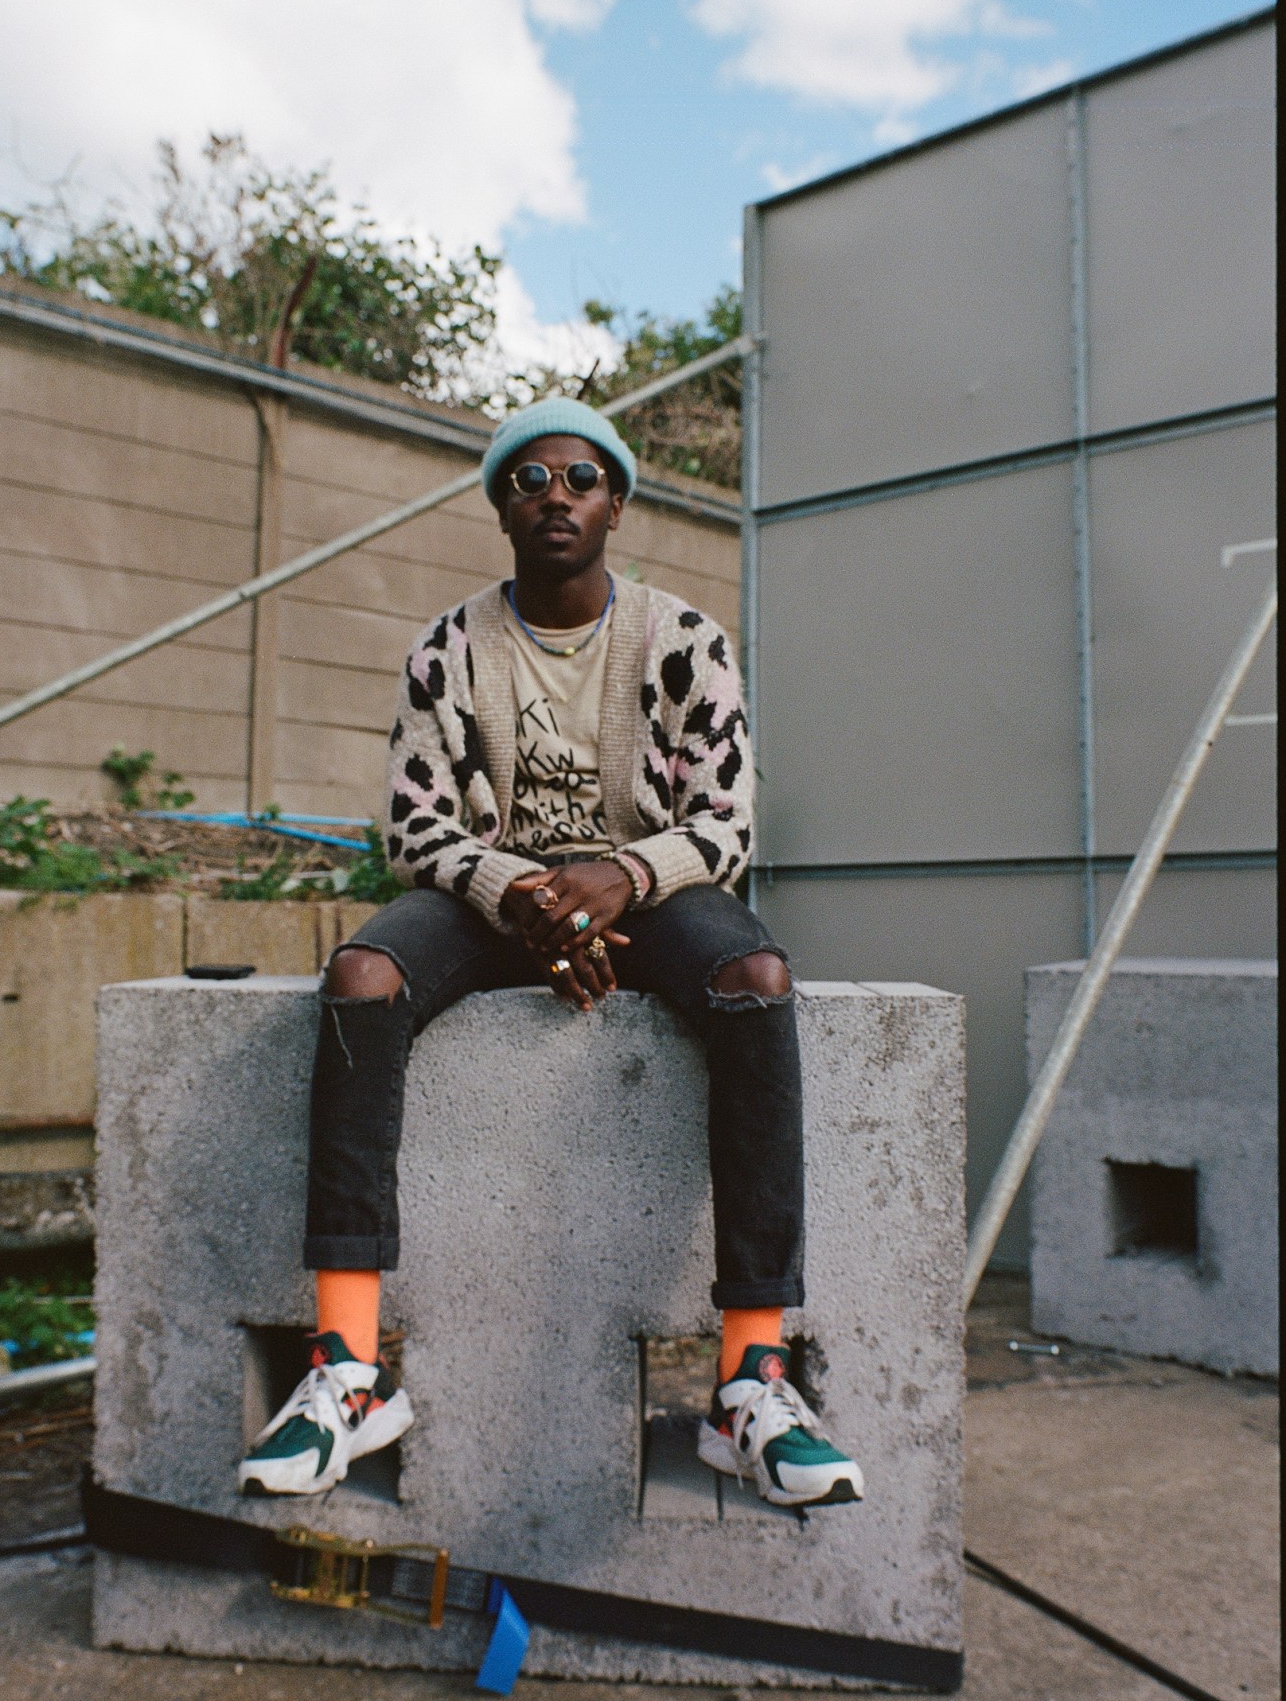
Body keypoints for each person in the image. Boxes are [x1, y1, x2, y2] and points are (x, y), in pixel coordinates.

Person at [237, 395, 864, 1512]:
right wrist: (521, 891)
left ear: (615, 501)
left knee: (754, 981)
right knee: (361, 977)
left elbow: (726, 824)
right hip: (492, 892)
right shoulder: (447, 648)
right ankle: (346, 1365)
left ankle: (750, 1377)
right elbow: (414, 826)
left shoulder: (682, 640)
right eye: (529, 481)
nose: (555, 496)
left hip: (650, 889)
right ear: (500, 509)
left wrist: (616, 878)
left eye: (578, 477)